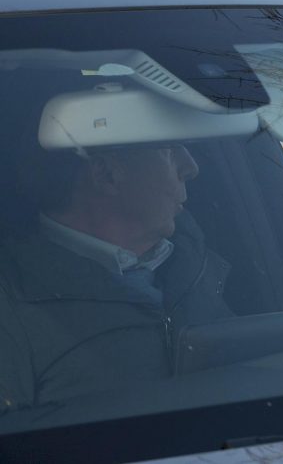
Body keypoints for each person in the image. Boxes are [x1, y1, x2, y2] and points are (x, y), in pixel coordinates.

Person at [0, 142, 234, 410]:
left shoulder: (199, 255)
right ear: (106, 175)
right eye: (168, 150)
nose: (192, 167)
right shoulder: (11, 302)